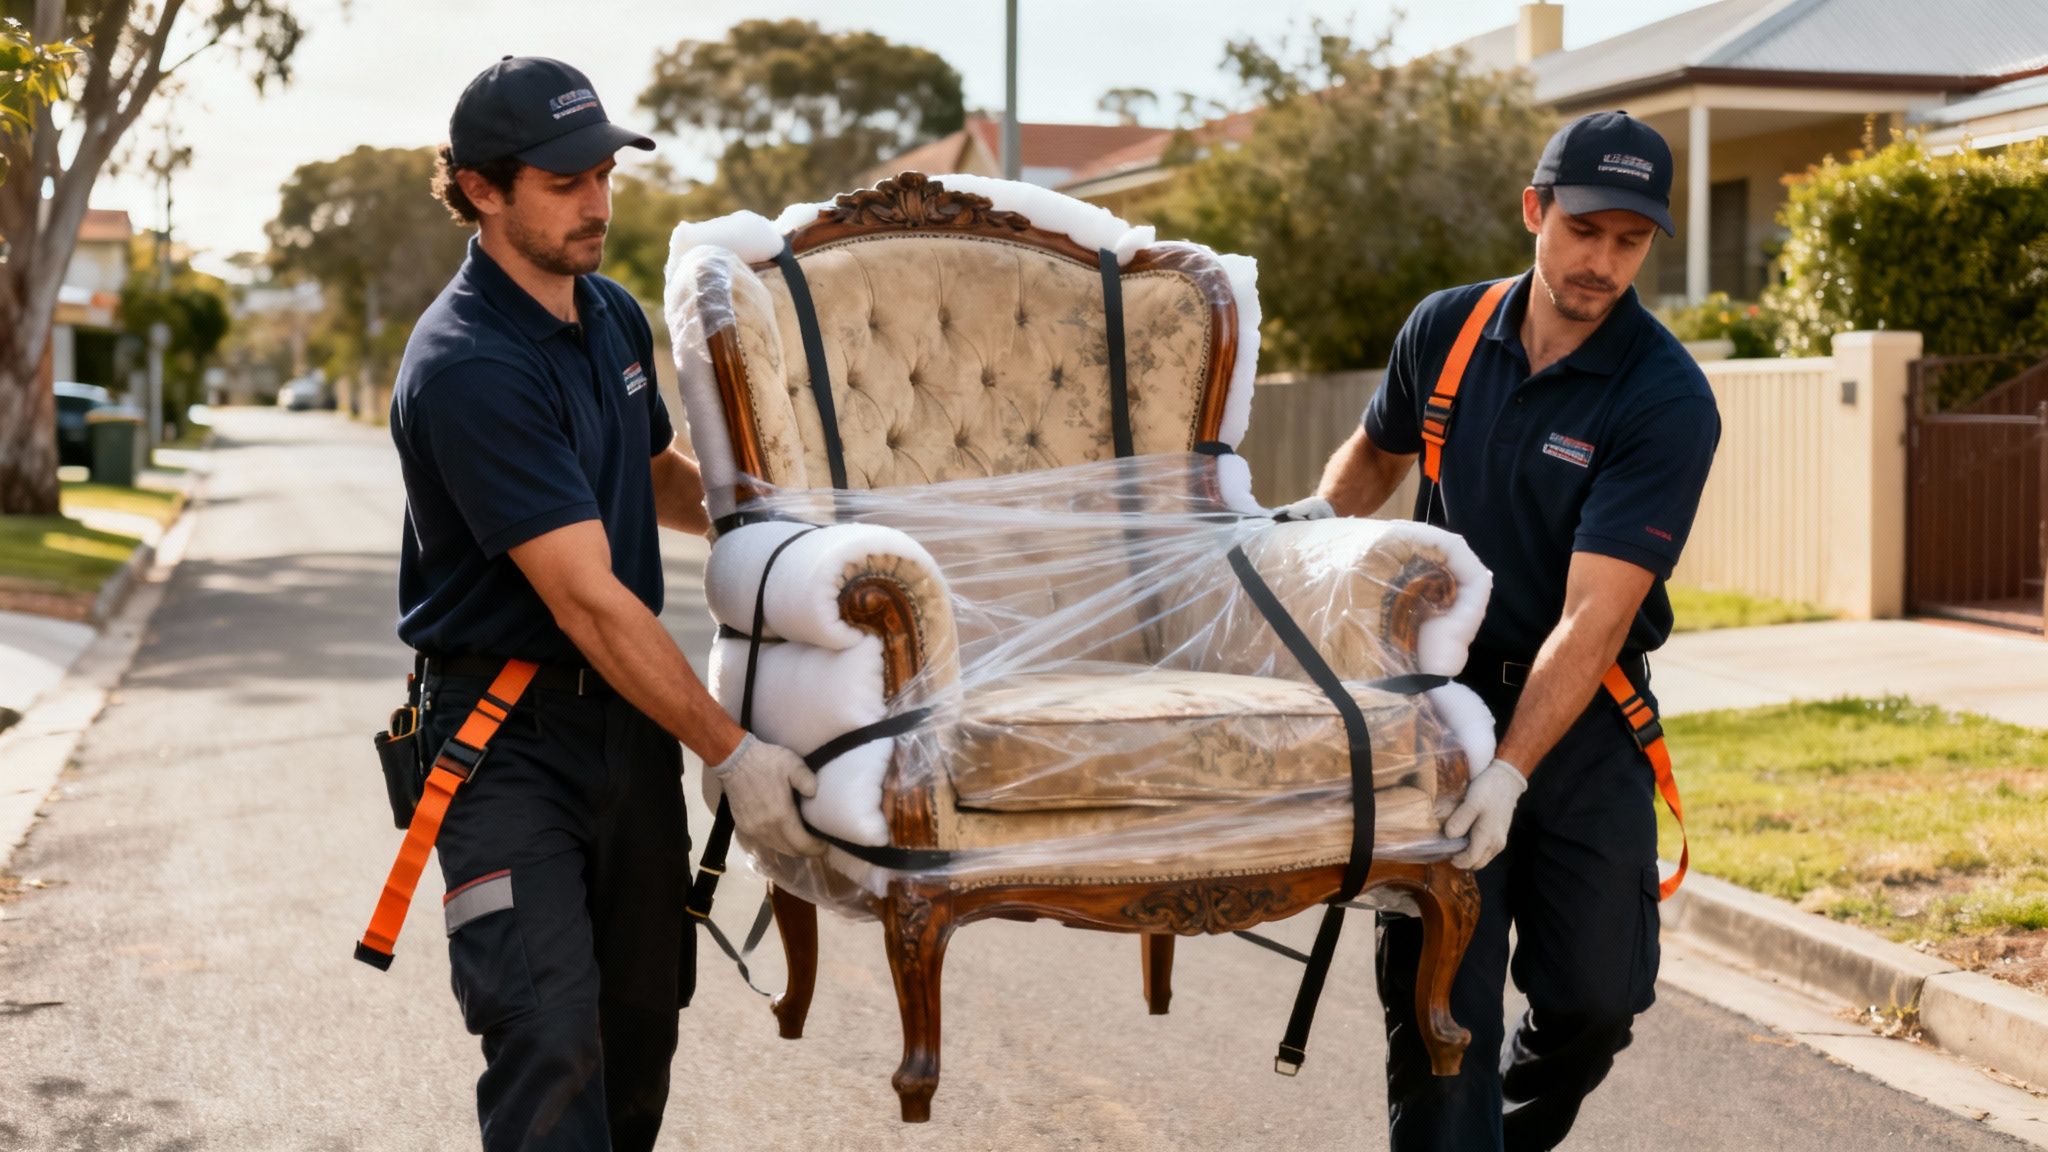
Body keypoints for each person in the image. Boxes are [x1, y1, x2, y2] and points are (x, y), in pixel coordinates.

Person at [386, 56, 824, 1151]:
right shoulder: (467, 365)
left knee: (637, 1037)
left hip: (624, 735)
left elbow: (650, 471)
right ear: (482, 190)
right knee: (548, 1043)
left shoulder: (611, 317)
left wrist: (776, 527)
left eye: (604, 172)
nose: (597, 202)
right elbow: (586, 599)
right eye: (565, 181)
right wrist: (731, 751)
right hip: (502, 745)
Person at [1286, 111, 1721, 1150]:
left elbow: (1594, 615)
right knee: (1441, 1022)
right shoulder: (1444, 329)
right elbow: (1370, 459)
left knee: (1594, 1005)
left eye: (1628, 241)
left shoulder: (1663, 399)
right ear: (1534, 211)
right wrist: (1300, 543)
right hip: (1434, 704)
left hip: (1581, 716)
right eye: (1583, 230)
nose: (1601, 262)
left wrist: (1510, 772)